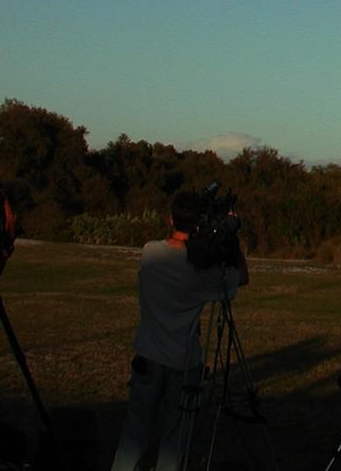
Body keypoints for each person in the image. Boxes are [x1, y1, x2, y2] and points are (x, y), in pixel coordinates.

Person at [110, 190, 249, 471]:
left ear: (170, 218)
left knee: (134, 434)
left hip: (148, 357)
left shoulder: (150, 253)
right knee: (175, 439)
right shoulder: (200, 270)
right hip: (184, 363)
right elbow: (241, 277)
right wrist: (230, 237)